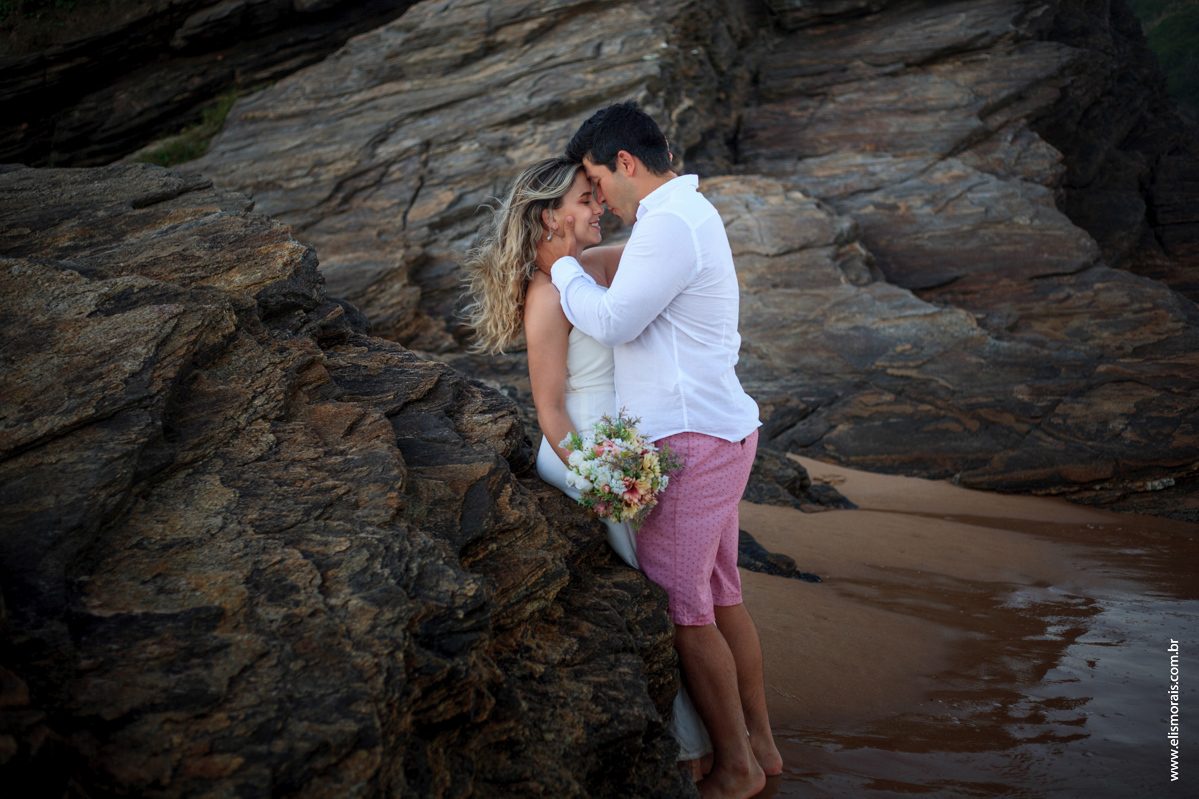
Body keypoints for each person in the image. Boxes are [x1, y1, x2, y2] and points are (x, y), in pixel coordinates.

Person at [536, 102, 782, 799]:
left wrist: (559, 268)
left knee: (685, 608)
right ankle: (760, 744)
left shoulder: (670, 222)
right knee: (722, 594)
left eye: (595, 180)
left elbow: (613, 321)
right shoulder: (681, 215)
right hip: (715, 430)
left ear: (624, 164)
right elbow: (630, 268)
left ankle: (736, 765)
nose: (599, 199)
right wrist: (581, 259)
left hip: (690, 440)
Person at [461, 156, 714, 776]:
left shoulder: (585, 269)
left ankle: (705, 743)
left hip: (620, 447)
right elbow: (548, 410)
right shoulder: (546, 297)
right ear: (552, 215)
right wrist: (604, 479)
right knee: (660, 593)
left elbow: (663, 251)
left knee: (670, 590)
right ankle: (690, 752)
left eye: (597, 193)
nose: (597, 204)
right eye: (584, 197)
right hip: (585, 455)